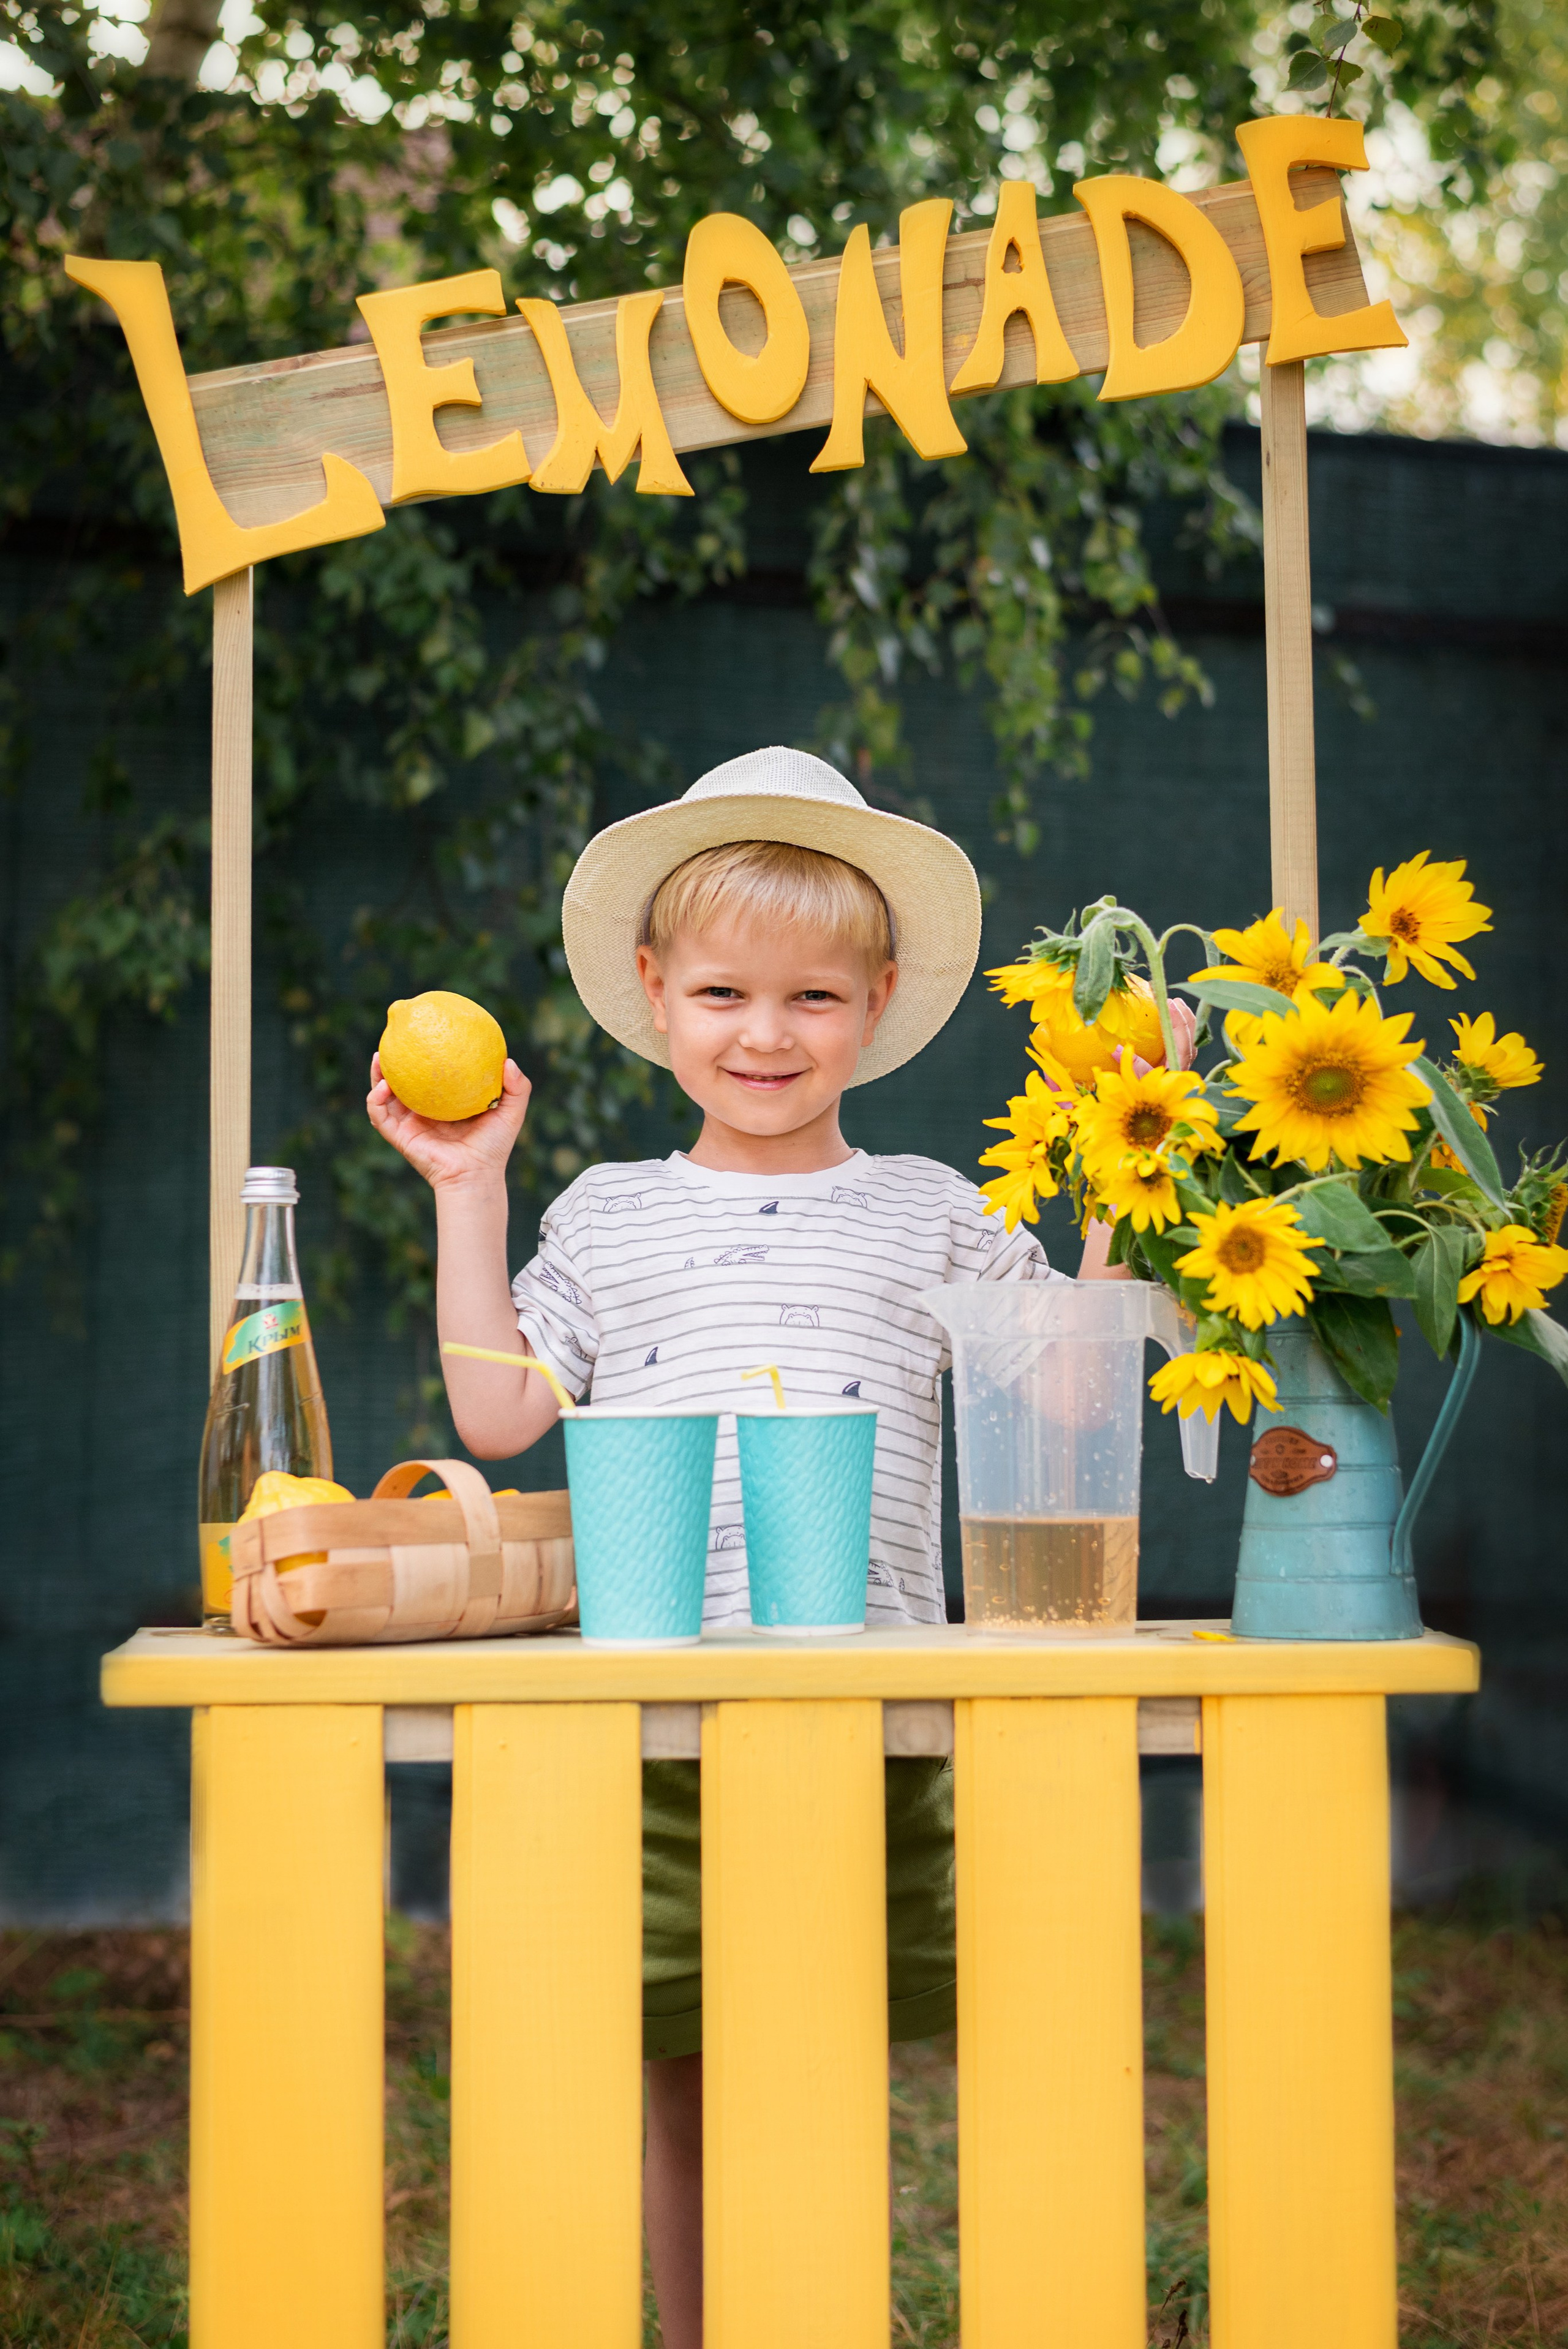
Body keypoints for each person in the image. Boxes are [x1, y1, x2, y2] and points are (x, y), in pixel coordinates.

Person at [367, 745, 1126, 2348]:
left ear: (879, 1003)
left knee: (833, 2065)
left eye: (811, 999)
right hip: (648, 1723)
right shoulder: (605, 1212)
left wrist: (1122, 1163)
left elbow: (1067, 1388)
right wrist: (470, 1186)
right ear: (655, 992)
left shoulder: (935, 1207)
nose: (764, 1035)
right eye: (721, 992)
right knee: (683, 2074)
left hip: (868, 1710)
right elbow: (499, 1414)